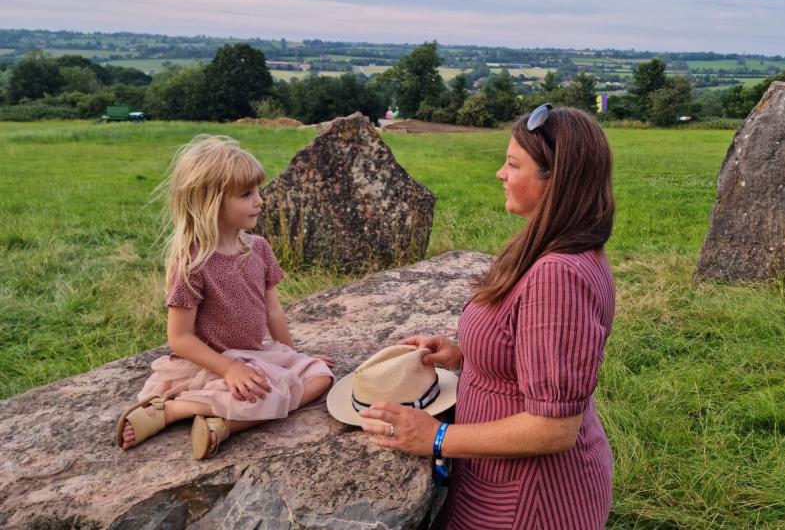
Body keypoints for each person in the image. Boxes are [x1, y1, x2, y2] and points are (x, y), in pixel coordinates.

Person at [360, 104, 616, 529]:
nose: (500, 173)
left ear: (556, 180)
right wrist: (467, 358)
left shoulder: (558, 275)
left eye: (514, 164)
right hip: (498, 479)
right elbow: (531, 357)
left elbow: (554, 428)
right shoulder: (545, 246)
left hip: (532, 500)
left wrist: (435, 437)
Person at [115, 135, 334, 459]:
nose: (259, 201)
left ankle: (224, 425)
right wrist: (228, 370)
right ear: (210, 202)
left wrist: (291, 358)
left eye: (257, 191)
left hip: (254, 355)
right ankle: (174, 409)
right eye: (246, 194)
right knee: (264, 393)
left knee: (320, 378)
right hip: (209, 364)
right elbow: (180, 338)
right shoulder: (192, 264)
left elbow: (273, 312)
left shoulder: (259, 248)